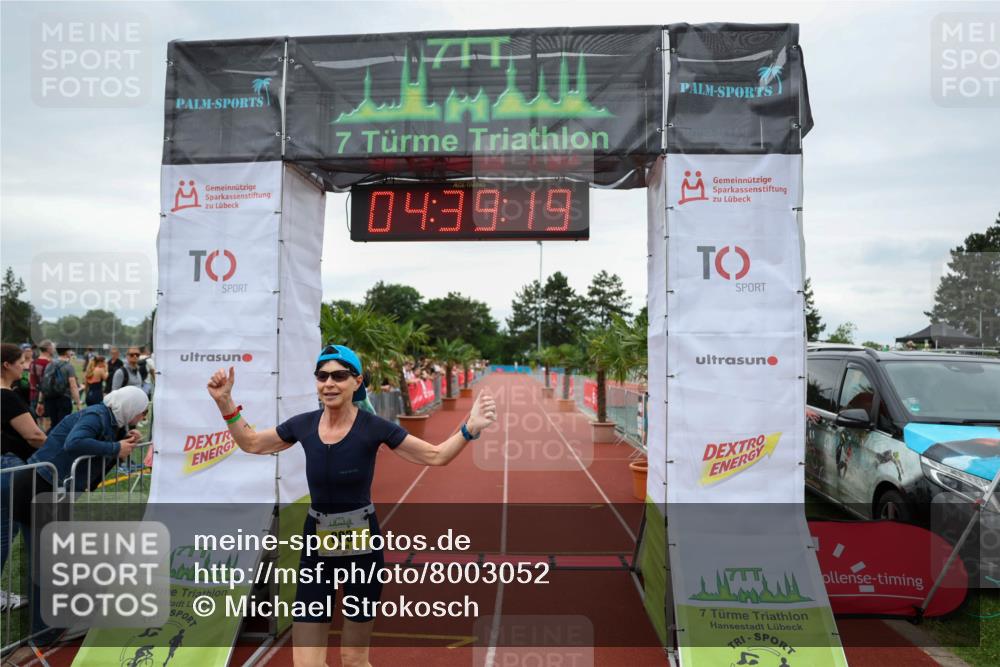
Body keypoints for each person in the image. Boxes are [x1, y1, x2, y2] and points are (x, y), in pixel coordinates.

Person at [207, 344, 496, 667]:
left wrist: (469, 429)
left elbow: (435, 455)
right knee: (305, 663)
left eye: (339, 376)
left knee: (354, 659)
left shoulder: (374, 428)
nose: (329, 383)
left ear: (357, 382)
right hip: (316, 549)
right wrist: (225, 403)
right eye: (322, 376)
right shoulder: (302, 424)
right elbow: (251, 443)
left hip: (363, 550)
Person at [1, 344, 47, 610]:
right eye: (21, 361)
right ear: (7, 364)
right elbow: (34, 435)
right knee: (5, 532)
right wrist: (57, 447)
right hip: (9, 466)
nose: (25, 365)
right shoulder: (6, 397)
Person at [36, 345, 81, 431]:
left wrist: (40, 402)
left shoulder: (49, 364)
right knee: (63, 425)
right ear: (67, 352)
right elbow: (73, 386)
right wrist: (78, 403)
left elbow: (44, 384)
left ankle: (49, 442)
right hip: (63, 398)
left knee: (53, 424)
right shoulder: (69, 366)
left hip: (49, 398)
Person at [29, 340, 54, 429]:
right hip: (45, 397)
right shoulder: (49, 364)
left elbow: (31, 380)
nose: (54, 349)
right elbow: (47, 384)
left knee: (36, 422)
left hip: (33, 394)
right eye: (52, 347)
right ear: (48, 349)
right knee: (47, 422)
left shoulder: (33, 362)